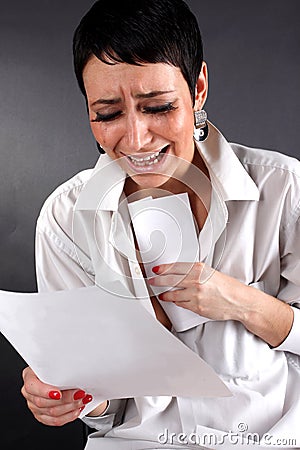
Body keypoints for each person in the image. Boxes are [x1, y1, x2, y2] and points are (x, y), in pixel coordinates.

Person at [21, 0, 300, 448]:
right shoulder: (66, 219)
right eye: (108, 113)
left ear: (199, 89)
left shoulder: (284, 189)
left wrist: (243, 303)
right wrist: (75, 397)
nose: (135, 139)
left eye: (159, 106)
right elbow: (105, 413)